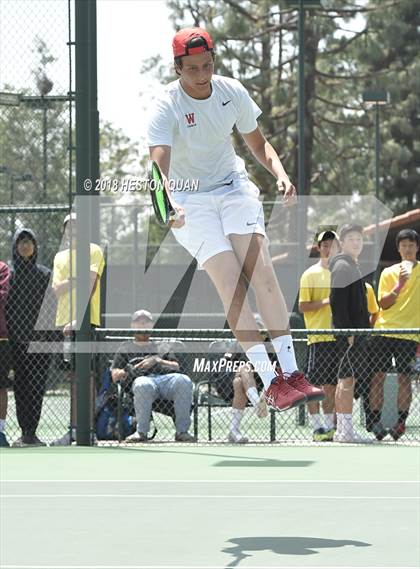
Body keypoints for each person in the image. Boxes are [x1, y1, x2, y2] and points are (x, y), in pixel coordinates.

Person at [147, 27, 324, 414]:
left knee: (261, 272)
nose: (201, 74)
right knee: (231, 281)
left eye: (207, 65)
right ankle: (271, 382)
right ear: (178, 67)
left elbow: (257, 142)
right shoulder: (165, 104)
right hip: (190, 200)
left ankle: (292, 374)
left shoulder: (231, 91)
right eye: (192, 68)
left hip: (233, 188)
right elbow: (159, 160)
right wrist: (170, 203)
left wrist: (279, 173)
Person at [50, 213, 105, 445]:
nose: (72, 230)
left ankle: (88, 431)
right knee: (73, 378)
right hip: (64, 324)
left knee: (88, 376)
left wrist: (79, 319)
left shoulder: (94, 250)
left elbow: (90, 283)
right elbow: (57, 289)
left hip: (86, 323)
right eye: (68, 226)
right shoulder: (60, 257)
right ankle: (74, 429)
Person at [111, 309, 195, 442]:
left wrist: (157, 360)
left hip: (165, 381)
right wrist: (130, 369)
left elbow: (176, 366)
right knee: (143, 383)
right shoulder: (125, 348)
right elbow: (115, 375)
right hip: (143, 382)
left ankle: (182, 432)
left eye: (146, 322)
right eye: (139, 322)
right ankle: (141, 433)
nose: (143, 325)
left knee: (184, 380)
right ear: (132, 326)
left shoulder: (161, 345)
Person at [369, 229, 420, 441]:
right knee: (377, 377)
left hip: (409, 335)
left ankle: (401, 423)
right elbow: (384, 304)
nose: (407, 249)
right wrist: (400, 283)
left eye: (411, 245)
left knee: (404, 379)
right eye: (403, 245)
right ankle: (375, 422)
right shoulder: (388, 272)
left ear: (417, 247)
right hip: (384, 331)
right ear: (398, 249)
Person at [6, 229, 54, 447]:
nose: (25, 245)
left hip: (41, 344)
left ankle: (32, 433)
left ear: (35, 246)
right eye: (21, 242)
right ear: (15, 246)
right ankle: (24, 433)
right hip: (15, 344)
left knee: (36, 388)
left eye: (29, 242)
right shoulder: (9, 275)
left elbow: (52, 308)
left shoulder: (45, 274)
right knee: (20, 388)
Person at [329, 224, 372, 443]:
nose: (357, 242)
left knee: (345, 380)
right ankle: (345, 432)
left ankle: (342, 431)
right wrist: (347, 332)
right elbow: (337, 301)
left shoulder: (351, 266)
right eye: (352, 239)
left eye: (359, 239)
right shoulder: (343, 266)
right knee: (347, 381)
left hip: (355, 333)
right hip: (349, 335)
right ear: (342, 243)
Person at [299, 230, 339, 442]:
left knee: (331, 386)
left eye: (333, 244)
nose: (329, 248)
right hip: (318, 339)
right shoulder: (309, 274)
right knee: (313, 386)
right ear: (319, 248)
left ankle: (329, 428)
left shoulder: (343, 272)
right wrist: (326, 302)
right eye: (325, 244)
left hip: (338, 339)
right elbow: (303, 306)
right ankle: (317, 428)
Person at [212, 315, 269, 443]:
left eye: (261, 330)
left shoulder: (268, 346)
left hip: (256, 383)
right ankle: (257, 403)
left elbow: (272, 368)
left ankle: (234, 431)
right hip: (229, 383)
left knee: (239, 383)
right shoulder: (239, 342)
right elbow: (224, 363)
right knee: (244, 368)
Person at [0, 258, 11, 447]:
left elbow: (2, 295)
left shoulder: (2, 268)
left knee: (0, 386)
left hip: (0, 338)